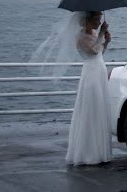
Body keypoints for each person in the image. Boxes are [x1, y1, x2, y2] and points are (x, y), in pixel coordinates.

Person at [31, 10, 113, 165]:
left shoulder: (95, 33)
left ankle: (100, 151)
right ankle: (88, 153)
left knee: (99, 107)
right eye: (96, 19)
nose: (99, 22)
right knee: (91, 108)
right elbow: (93, 51)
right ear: (87, 21)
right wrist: (102, 34)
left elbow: (101, 52)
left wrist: (106, 41)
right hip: (91, 73)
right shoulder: (81, 36)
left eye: (100, 19)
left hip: (99, 70)